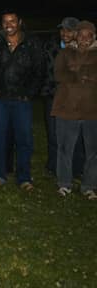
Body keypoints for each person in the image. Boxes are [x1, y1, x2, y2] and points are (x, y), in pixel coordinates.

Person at [0, 11, 46, 190]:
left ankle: (24, 177)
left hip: (21, 100)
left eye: (12, 21)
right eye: (5, 21)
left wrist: (30, 93)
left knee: (24, 139)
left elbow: (40, 70)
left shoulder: (31, 43)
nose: (9, 24)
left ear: (20, 22)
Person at [52, 20, 97, 198]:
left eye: (89, 35)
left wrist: (78, 71)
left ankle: (89, 186)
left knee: (93, 152)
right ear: (76, 36)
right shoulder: (65, 52)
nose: (84, 39)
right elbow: (58, 74)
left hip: (92, 110)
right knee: (64, 149)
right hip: (66, 108)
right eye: (81, 35)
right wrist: (84, 73)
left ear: (94, 37)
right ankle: (64, 183)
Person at [43, 17, 82, 176]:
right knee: (53, 134)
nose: (65, 33)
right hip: (53, 97)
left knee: (77, 135)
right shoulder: (50, 47)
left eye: (69, 30)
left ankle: (77, 168)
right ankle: (53, 166)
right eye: (62, 29)